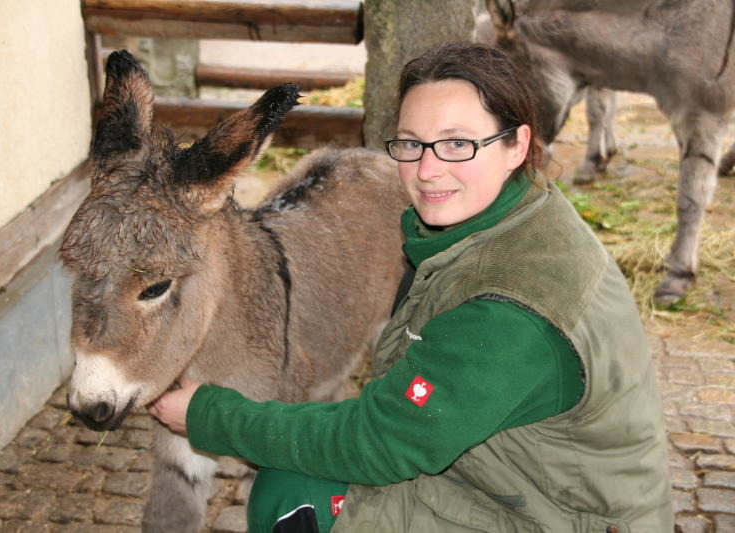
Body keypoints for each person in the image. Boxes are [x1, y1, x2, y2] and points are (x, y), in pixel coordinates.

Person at [149, 41, 673, 532]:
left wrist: (209, 416)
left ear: (517, 145)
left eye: (457, 144)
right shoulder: (512, 215)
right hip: (510, 473)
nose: (427, 169)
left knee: (290, 496)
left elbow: (382, 441)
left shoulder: (512, 308)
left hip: (558, 515)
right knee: (297, 472)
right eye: (412, 144)